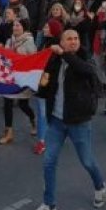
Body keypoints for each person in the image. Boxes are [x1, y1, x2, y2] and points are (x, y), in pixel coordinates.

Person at [30, 30, 106, 210]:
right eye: (69, 39)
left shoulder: (85, 57)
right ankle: (49, 205)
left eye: (76, 38)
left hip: (78, 121)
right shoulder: (54, 60)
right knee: (49, 161)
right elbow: (46, 84)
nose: (73, 42)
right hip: (56, 120)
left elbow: (84, 70)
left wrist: (64, 54)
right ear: (61, 42)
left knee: (87, 161)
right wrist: (35, 87)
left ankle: (100, 185)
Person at [0, 19, 37, 145]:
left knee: (23, 105)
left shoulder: (29, 41)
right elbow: (5, 56)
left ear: (24, 28)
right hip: (10, 76)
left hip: (22, 78)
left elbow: (33, 59)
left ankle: (33, 119)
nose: (15, 27)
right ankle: (9, 132)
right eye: (14, 25)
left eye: (18, 25)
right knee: (7, 103)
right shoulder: (10, 41)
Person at [33, 19, 63, 155]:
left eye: (46, 27)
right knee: (42, 112)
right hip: (42, 82)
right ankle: (42, 139)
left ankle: (43, 139)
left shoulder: (58, 47)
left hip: (50, 84)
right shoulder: (44, 43)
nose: (44, 29)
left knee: (45, 113)